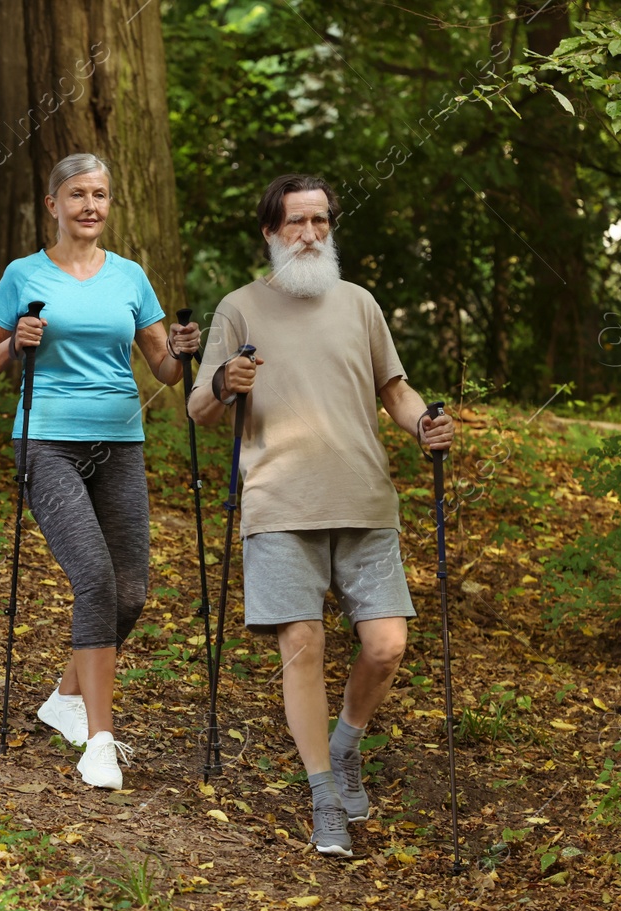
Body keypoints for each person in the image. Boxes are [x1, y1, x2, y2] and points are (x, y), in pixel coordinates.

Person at [188, 173, 455, 855]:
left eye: (321, 222)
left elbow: (393, 390)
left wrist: (422, 421)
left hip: (364, 500)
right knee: (302, 648)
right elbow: (200, 407)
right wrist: (224, 382)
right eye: (296, 223)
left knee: (387, 645)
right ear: (270, 232)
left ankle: (346, 744)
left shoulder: (359, 304)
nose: (310, 234)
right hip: (279, 504)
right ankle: (324, 795)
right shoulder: (240, 308)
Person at [0, 154, 200, 790]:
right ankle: (99, 740)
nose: (89, 206)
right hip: (47, 442)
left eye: (99, 194)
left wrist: (182, 351)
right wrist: (14, 341)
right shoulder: (25, 274)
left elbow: (166, 372)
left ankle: (65, 699)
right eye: (77, 195)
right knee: (94, 578)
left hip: (120, 443)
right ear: (53, 205)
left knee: (131, 593)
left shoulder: (130, 277)